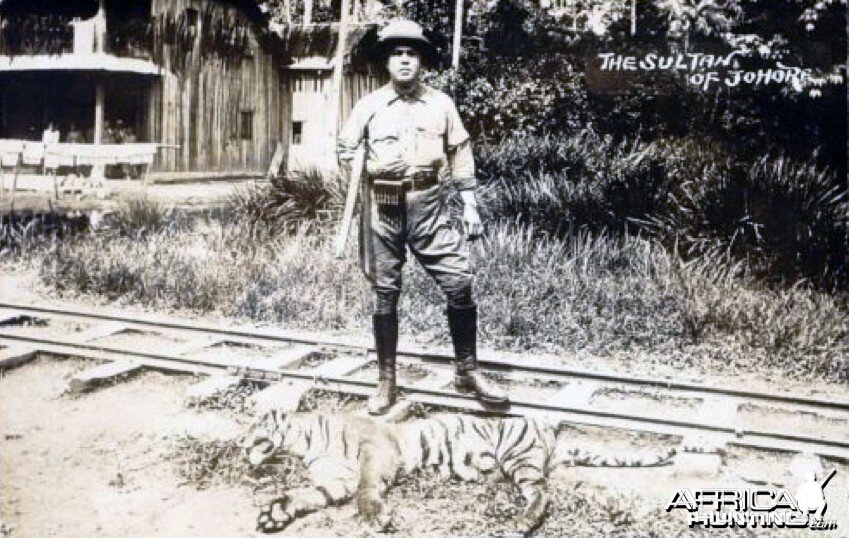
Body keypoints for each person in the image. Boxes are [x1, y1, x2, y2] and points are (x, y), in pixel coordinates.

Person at [337, 19, 508, 415]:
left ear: (422, 60)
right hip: (381, 207)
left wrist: (470, 204)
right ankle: (386, 381)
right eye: (396, 53)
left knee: (459, 281)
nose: (404, 61)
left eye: (411, 53)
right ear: (386, 61)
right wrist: (358, 164)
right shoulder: (369, 105)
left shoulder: (441, 104)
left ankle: (466, 369)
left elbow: (460, 152)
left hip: (428, 204)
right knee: (385, 293)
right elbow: (345, 151)